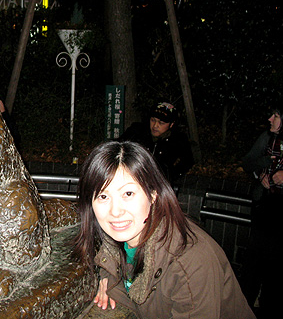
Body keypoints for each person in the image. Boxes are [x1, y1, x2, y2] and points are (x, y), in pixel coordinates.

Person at [74, 141, 255, 319]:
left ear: (153, 194)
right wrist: (108, 281)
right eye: (103, 196)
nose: (115, 211)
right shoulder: (113, 243)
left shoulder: (190, 261)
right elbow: (113, 265)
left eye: (128, 194)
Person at [240, 102, 283, 317]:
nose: (270, 119)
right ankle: (245, 307)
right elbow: (248, 162)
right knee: (254, 260)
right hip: (264, 207)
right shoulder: (267, 138)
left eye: (276, 115)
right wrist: (262, 173)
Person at [119, 102, 194, 184]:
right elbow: (118, 144)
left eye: (161, 123)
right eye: (153, 120)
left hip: (159, 182)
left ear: (171, 124)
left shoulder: (177, 139)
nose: (155, 125)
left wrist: (169, 176)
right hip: (132, 177)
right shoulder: (137, 131)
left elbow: (188, 161)